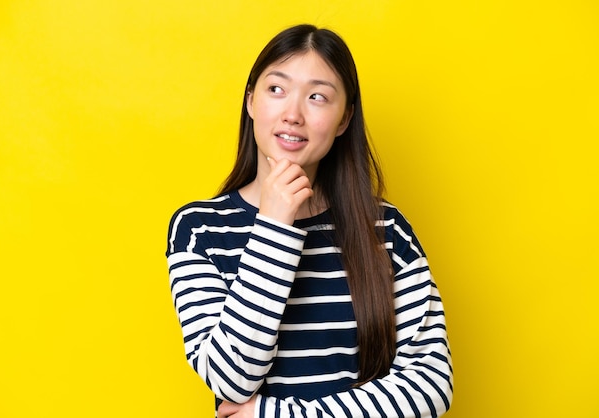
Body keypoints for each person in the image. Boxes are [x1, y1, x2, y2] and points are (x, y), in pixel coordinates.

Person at [166, 24, 453, 418]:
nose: (292, 114)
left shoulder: (387, 230)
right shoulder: (199, 229)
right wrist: (274, 225)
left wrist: (275, 415)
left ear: (343, 119)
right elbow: (231, 379)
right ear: (250, 102)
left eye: (317, 97)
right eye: (276, 90)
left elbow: (431, 385)